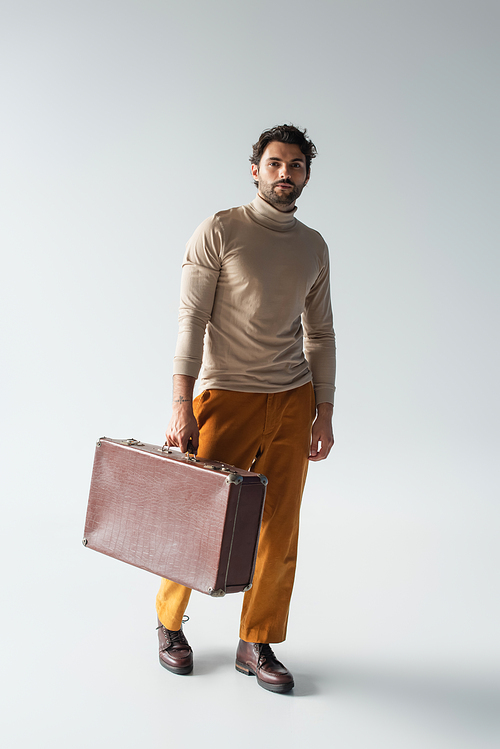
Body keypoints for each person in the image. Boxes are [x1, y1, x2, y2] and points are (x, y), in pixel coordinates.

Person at [156, 124, 336, 694]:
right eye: (276, 163)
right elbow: (190, 319)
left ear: (306, 176)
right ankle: (167, 624)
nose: (286, 173)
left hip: (291, 398)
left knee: (279, 528)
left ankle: (256, 642)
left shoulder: (313, 246)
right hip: (226, 393)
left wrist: (324, 409)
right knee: (196, 518)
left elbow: (321, 334)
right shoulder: (220, 230)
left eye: (297, 166)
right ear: (255, 169)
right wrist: (181, 405)